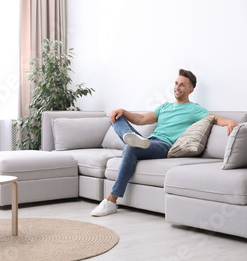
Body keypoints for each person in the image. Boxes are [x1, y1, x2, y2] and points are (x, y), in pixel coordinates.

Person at [91, 69, 238, 216]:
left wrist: (230, 121)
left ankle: (111, 201)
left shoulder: (194, 109)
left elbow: (214, 118)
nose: (177, 87)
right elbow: (141, 119)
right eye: (176, 83)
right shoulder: (165, 107)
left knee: (131, 149)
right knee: (116, 118)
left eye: (182, 85)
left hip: (164, 146)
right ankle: (128, 137)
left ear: (190, 90)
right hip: (148, 141)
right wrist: (123, 111)